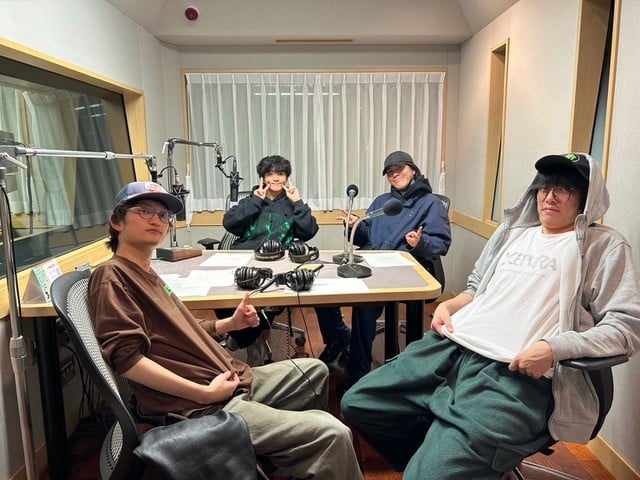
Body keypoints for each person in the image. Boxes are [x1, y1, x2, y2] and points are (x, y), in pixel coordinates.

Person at [341, 153, 640, 479]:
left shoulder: (603, 246)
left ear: (587, 197)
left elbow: (627, 327)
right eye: (545, 187)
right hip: (453, 347)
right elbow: (476, 287)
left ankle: (443, 461)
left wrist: (555, 348)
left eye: (565, 189)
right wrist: (450, 306)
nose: (550, 196)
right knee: (358, 402)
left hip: (513, 371)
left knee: (423, 475)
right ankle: (449, 458)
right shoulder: (513, 233)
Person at [89, 181, 363, 480]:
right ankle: (301, 446)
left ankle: (289, 460)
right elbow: (126, 359)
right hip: (198, 406)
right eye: (144, 211)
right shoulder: (113, 276)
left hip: (226, 378)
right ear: (116, 221)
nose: (157, 220)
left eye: (163, 214)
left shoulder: (147, 272)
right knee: (333, 433)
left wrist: (230, 324)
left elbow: (185, 328)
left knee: (315, 371)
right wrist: (204, 393)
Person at [318, 151, 451, 381]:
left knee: (364, 304)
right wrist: (355, 226)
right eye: (390, 171)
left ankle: (358, 373)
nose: (395, 174)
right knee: (325, 285)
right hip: (373, 264)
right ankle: (340, 338)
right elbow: (366, 236)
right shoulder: (382, 202)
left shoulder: (431, 203)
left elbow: (441, 243)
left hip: (404, 271)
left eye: (399, 169)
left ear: (413, 170)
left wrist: (420, 243)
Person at [222, 154, 347, 351]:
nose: (275, 178)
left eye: (280, 174)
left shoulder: (292, 203)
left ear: (287, 177)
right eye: (270, 174)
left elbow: (309, 231)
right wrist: (255, 201)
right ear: (263, 178)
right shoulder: (251, 200)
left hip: (280, 261)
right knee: (222, 292)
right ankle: (243, 334)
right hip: (248, 259)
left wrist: (298, 203)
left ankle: (338, 341)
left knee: (321, 289)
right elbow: (229, 223)